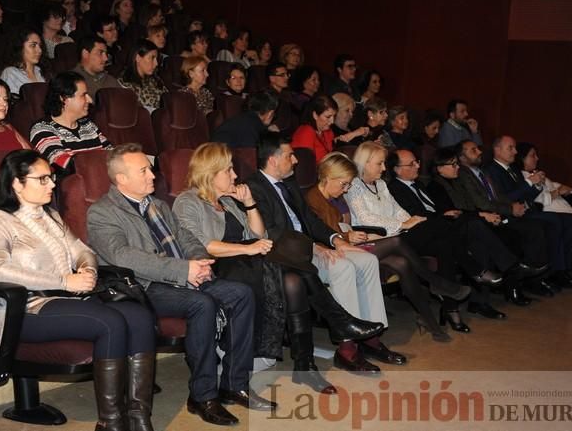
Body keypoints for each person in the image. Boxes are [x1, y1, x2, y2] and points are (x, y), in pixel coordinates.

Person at [87, 143, 276, 426]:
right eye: (144, 170)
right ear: (122, 179)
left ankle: (233, 383)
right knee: (202, 304)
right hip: (142, 286)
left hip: (179, 275)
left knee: (241, 293)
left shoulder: (158, 205)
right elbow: (123, 256)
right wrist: (182, 269)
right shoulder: (102, 212)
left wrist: (200, 263)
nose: (152, 175)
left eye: (150, 168)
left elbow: (185, 239)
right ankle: (202, 395)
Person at [0, 149, 157, 431]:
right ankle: (111, 423)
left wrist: (87, 271)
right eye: (43, 179)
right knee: (110, 322)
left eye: (52, 177)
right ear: (16, 184)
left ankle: (139, 419)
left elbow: (83, 251)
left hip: (68, 300)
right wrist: (64, 281)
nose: (53, 184)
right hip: (25, 310)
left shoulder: (50, 216)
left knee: (139, 316)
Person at [173, 142, 343, 394]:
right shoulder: (188, 201)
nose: (235, 175)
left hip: (247, 262)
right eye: (228, 170)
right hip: (217, 267)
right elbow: (202, 245)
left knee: (293, 280)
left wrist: (250, 203)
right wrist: (247, 249)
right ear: (210, 173)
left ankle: (305, 362)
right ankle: (338, 320)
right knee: (288, 270)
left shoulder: (229, 202)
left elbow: (258, 233)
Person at [247, 136, 388, 374]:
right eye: (289, 155)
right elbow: (272, 232)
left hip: (309, 248)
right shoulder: (254, 187)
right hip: (287, 254)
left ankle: (372, 339)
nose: (295, 160)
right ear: (273, 160)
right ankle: (347, 348)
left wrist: (336, 240)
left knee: (367, 260)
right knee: (343, 267)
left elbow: (310, 219)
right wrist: (314, 246)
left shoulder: (289, 183)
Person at [306, 152, 473, 342]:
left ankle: (432, 323)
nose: (346, 189)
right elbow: (318, 233)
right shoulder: (313, 198)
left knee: (401, 263)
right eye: (343, 184)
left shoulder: (331, 197)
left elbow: (339, 228)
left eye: (348, 185)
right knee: (396, 242)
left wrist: (352, 234)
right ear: (328, 178)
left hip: (352, 242)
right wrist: (348, 235)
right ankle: (435, 282)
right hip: (338, 249)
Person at [345, 142, 480, 332]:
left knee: (441, 242)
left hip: (396, 234)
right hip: (374, 238)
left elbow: (396, 209)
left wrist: (410, 220)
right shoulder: (353, 186)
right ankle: (465, 273)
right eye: (379, 164)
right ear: (365, 164)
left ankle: (441, 311)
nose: (384, 168)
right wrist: (403, 224)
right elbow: (366, 217)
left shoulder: (381, 184)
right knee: (441, 225)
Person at [388, 148, 531, 319]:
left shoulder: (419, 184)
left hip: (439, 229)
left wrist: (447, 215)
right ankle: (499, 269)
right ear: (397, 169)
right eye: (411, 164)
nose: (417, 166)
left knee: (461, 242)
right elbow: (416, 216)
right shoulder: (395, 188)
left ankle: (454, 308)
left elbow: (437, 210)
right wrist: (446, 215)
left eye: (417, 161)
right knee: (475, 224)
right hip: (419, 233)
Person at [484, 135, 572, 290]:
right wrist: (530, 182)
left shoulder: (512, 170)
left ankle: (563, 271)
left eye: (515, 148)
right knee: (552, 222)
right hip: (508, 214)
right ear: (497, 150)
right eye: (510, 148)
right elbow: (504, 198)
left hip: (525, 210)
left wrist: (536, 186)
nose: (515, 152)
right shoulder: (491, 171)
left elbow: (525, 195)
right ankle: (546, 274)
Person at [514, 142, 572, 280]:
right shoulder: (523, 177)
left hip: (560, 205)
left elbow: (554, 185)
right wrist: (557, 191)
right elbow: (539, 199)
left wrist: (565, 189)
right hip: (549, 209)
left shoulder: (537, 174)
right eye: (532, 155)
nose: (537, 158)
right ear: (522, 158)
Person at [31, 71, 111, 173]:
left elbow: (114, 156)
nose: (90, 100)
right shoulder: (42, 129)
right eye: (83, 95)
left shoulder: (88, 125)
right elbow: (66, 165)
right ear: (64, 98)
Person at [212, 90, 278, 148]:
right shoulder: (253, 126)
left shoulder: (243, 119)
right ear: (270, 113)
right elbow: (251, 158)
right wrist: (273, 137)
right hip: (219, 160)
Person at [118, 39, 167, 113]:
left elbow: (168, 100)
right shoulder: (124, 83)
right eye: (152, 58)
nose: (156, 63)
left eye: (156, 59)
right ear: (138, 58)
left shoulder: (156, 80)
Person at [0, 27, 47, 96]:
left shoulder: (42, 72)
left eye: (40, 46)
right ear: (20, 47)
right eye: (33, 45)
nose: (40, 50)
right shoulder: (11, 73)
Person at [72, 36, 120, 100]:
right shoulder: (71, 81)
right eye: (100, 53)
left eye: (106, 54)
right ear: (85, 53)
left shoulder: (110, 80)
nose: (106, 58)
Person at [291, 94, 337, 162]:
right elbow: (305, 164)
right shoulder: (305, 133)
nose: (332, 121)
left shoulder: (328, 131)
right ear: (315, 115)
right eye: (328, 117)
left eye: (334, 116)